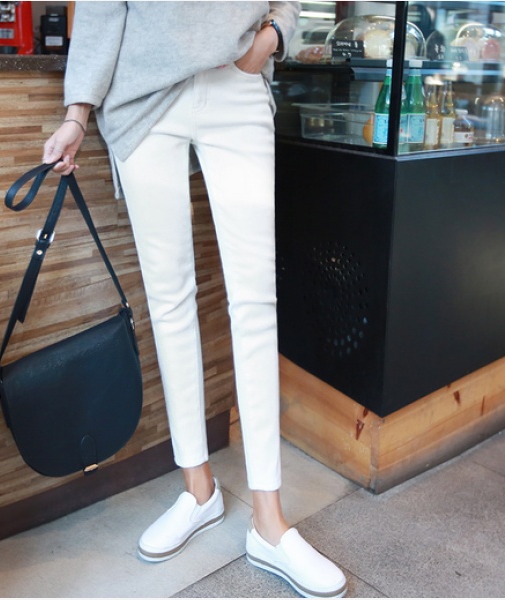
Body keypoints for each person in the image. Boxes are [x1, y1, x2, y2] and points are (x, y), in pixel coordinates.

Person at [43, 2, 347, 597]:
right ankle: (198, 490)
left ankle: (269, 521)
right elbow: (103, 9)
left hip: (237, 86)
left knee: (255, 303)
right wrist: (77, 114)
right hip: (144, 98)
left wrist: (272, 37)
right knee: (169, 301)